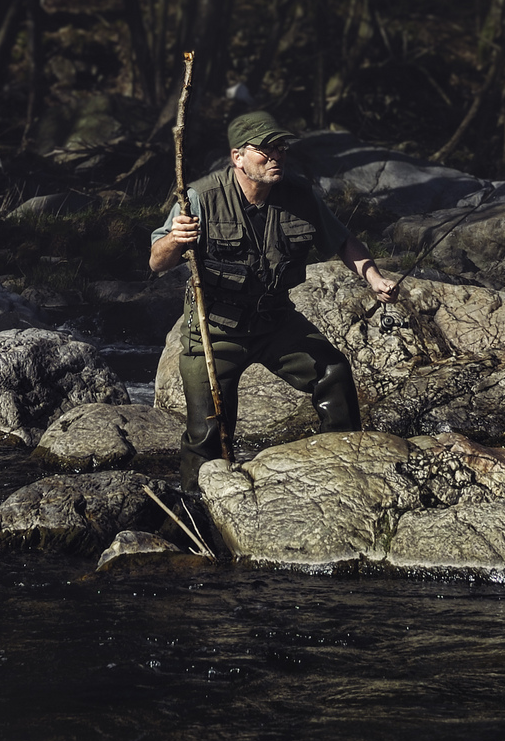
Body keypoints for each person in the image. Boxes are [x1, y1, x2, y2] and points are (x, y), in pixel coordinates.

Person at [149, 111, 398, 491]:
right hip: (215, 329)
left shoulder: (299, 196)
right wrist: (176, 239)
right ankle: (195, 505)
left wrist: (374, 277)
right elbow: (157, 262)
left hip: (275, 322)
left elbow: (343, 241)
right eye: (265, 150)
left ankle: (345, 467)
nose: (276, 157)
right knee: (208, 433)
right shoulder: (200, 197)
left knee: (334, 374)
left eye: (281, 149)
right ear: (238, 157)